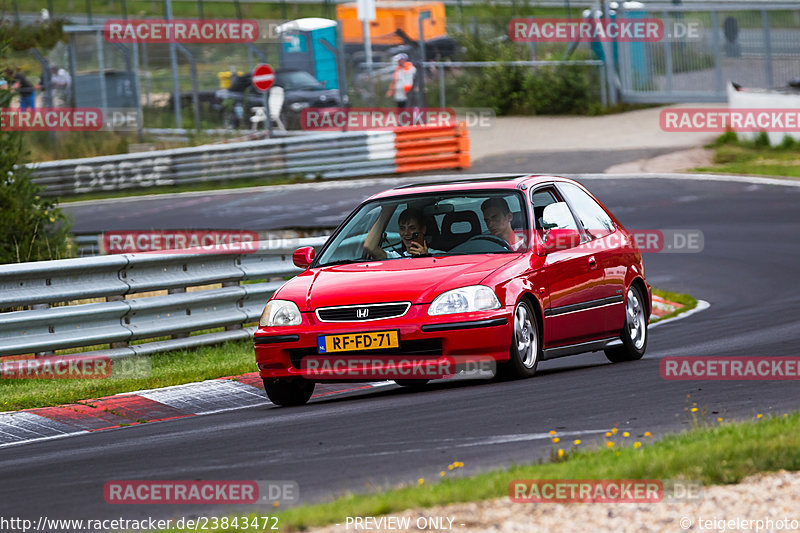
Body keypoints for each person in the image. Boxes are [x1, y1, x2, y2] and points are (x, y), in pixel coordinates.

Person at [363, 205, 441, 259]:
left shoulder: (438, 256)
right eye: (402, 228)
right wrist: (386, 212)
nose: (406, 233)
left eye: (412, 228)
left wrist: (426, 258)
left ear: (423, 230)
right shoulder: (395, 257)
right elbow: (369, 247)